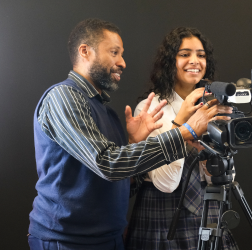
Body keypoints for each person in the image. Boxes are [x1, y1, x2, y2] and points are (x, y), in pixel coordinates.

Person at [28, 19, 231, 250]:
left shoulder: (108, 113)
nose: (122, 62)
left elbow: (125, 184)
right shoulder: (63, 97)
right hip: (67, 240)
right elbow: (107, 165)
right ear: (85, 51)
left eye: (122, 54)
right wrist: (185, 132)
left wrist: (134, 142)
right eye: (114, 52)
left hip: (109, 238)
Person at [125, 27, 239, 249]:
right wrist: (182, 128)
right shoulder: (152, 109)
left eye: (201, 55)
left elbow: (226, 178)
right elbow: (166, 184)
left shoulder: (214, 107)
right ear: (170, 61)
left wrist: (204, 151)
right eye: (185, 54)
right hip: (162, 213)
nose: (194, 60)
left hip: (208, 209)